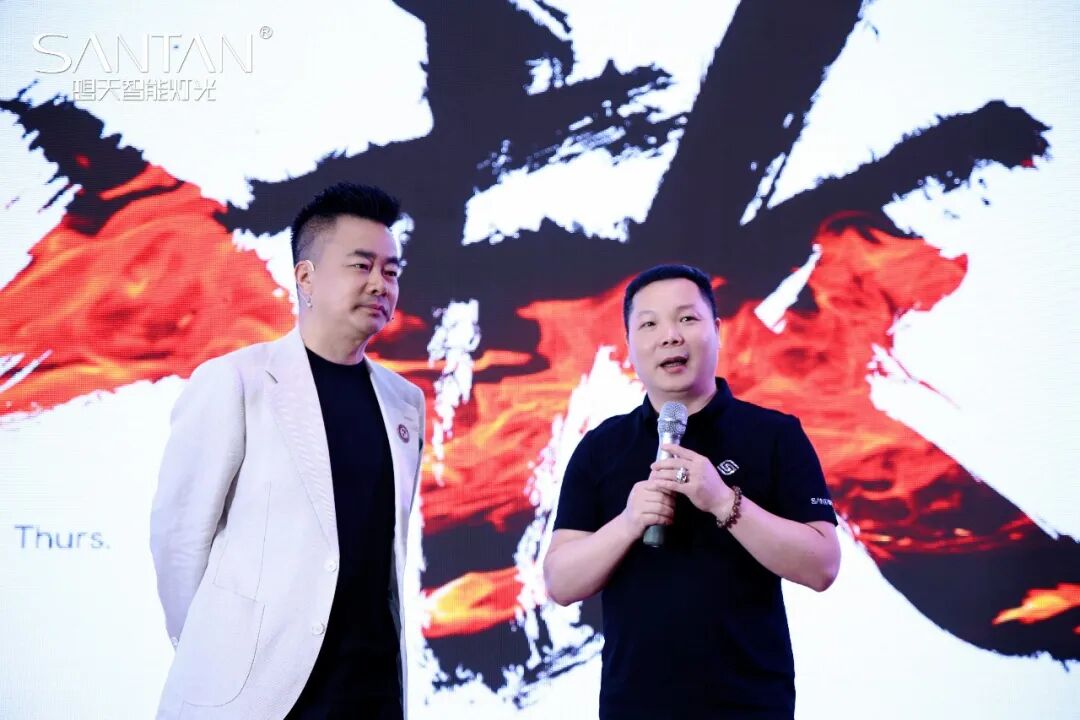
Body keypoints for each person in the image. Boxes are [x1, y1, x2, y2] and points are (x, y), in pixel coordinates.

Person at [150, 182, 425, 719]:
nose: (380, 284)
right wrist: (212, 651)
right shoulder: (237, 381)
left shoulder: (405, 402)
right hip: (256, 691)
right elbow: (179, 541)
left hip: (371, 686)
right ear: (306, 277)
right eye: (361, 266)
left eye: (391, 271)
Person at [544, 263, 841, 720]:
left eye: (686, 318)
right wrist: (628, 523)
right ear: (629, 345)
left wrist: (723, 501)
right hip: (633, 708)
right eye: (649, 324)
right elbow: (560, 583)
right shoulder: (601, 447)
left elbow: (822, 565)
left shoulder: (775, 435)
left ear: (716, 330)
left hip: (750, 707)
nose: (670, 336)